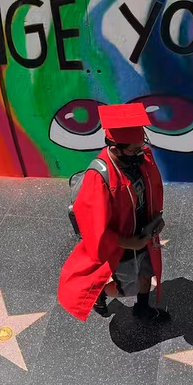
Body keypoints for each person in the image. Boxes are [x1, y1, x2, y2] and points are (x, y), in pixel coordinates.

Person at [57, 103, 170, 323]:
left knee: (147, 274)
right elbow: (94, 231)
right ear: (115, 147)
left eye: (141, 146)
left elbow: (153, 189)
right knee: (125, 287)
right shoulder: (99, 178)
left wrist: (157, 218)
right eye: (133, 150)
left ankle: (142, 308)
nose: (141, 153)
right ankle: (100, 292)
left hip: (144, 233)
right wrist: (130, 243)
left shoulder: (141, 156)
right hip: (122, 244)